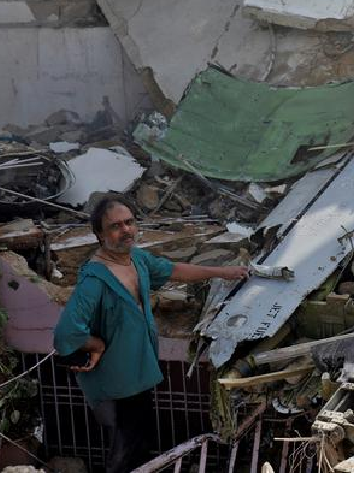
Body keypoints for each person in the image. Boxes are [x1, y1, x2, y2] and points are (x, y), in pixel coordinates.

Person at [53, 193, 248, 472]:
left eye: (129, 222)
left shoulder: (137, 260)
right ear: (99, 234)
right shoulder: (94, 279)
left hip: (140, 372)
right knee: (123, 448)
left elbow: (173, 270)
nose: (126, 230)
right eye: (115, 226)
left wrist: (223, 272)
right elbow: (65, 333)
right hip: (116, 381)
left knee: (139, 444)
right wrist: (94, 344)